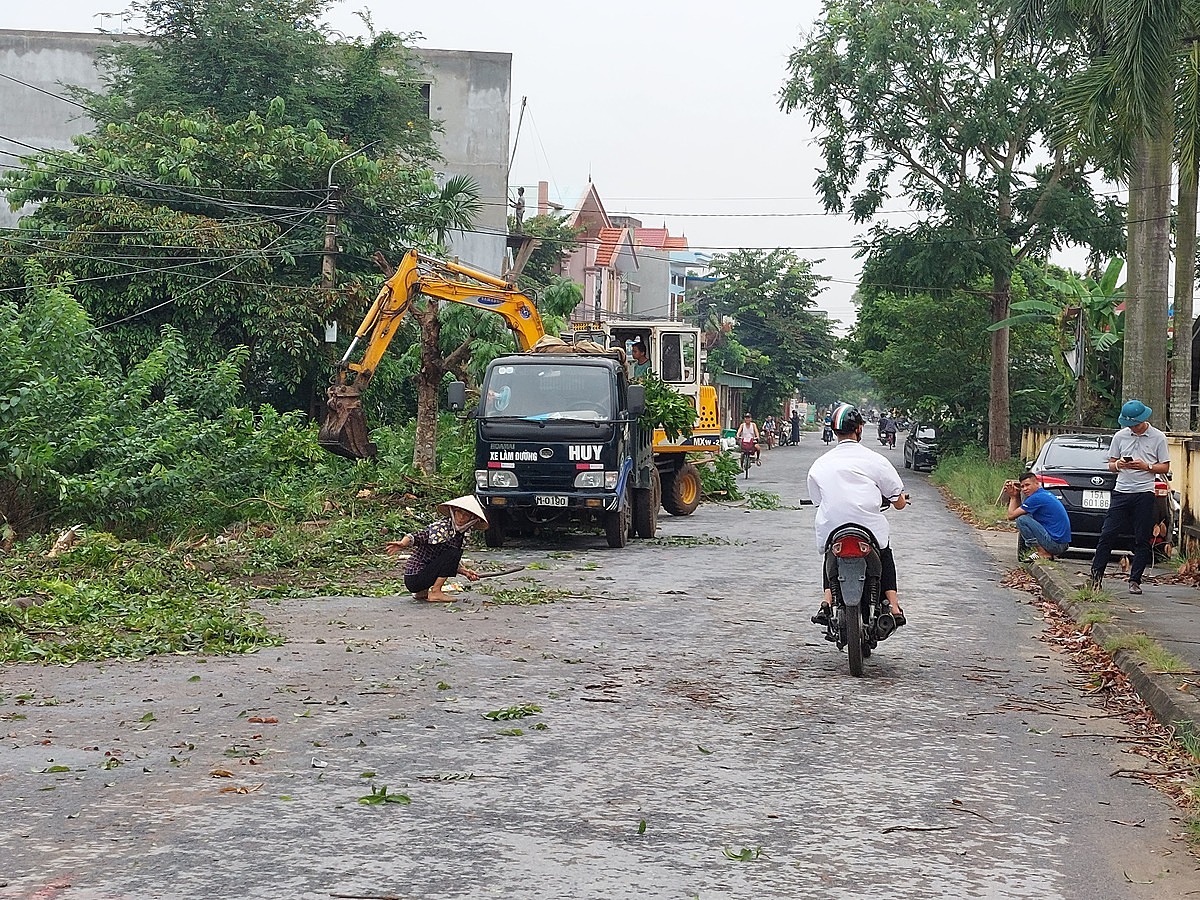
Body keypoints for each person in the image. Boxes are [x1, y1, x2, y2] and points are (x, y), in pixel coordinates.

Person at [807, 403, 907, 627]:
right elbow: (898, 502)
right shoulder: (876, 460)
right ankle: (893, 605)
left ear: (834, 431)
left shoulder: (820, 464)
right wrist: (899, 500)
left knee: (830, 554)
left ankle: (826, 601)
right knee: (885, 553)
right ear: (859, 428)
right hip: (868, 529)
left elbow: (817, 501)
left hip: (833, 528)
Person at [1089, 399, 1170, 595]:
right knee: (1107, 534)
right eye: (1130, 425)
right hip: (1122, 491)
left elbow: (1165, 467)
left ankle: (1135, 580)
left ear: (1144, 420)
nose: (1133, 428)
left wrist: (1146, 466)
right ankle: (1095, 578)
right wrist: (1119, 465)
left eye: (1136, 425)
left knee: (1142, 538)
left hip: (1144, 492)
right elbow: (1111, 464)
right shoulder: (1120, 436)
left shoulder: (1158, 437)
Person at [387, 495, 487, 602]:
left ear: (471, 519)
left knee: (452, 553)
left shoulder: (461, 534)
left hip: (422, 576)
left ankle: (422, 592)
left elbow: (446, 562)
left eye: (466, 515)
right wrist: (403, 543)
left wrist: (466, 572)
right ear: (453, 512)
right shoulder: (442, 527)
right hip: (415, 577)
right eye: (459, 512)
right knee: (453, 552)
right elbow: (418, 536)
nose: (461, 517)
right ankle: (436, 591)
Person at [1003, 471, 1071, 560]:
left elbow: (1011, 515)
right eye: (1022, 486)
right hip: (1062, 544)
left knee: (1022, 520)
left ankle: (1042, 553)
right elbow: (1019, 510)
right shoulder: (1042, 494)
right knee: (1026, 516)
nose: (1025, 489)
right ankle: (1045, 552)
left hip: (1056, 545)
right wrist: (1016, 495)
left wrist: (1013, 497)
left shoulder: (1036, 498)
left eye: (1027, 485)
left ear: (1037, 483)